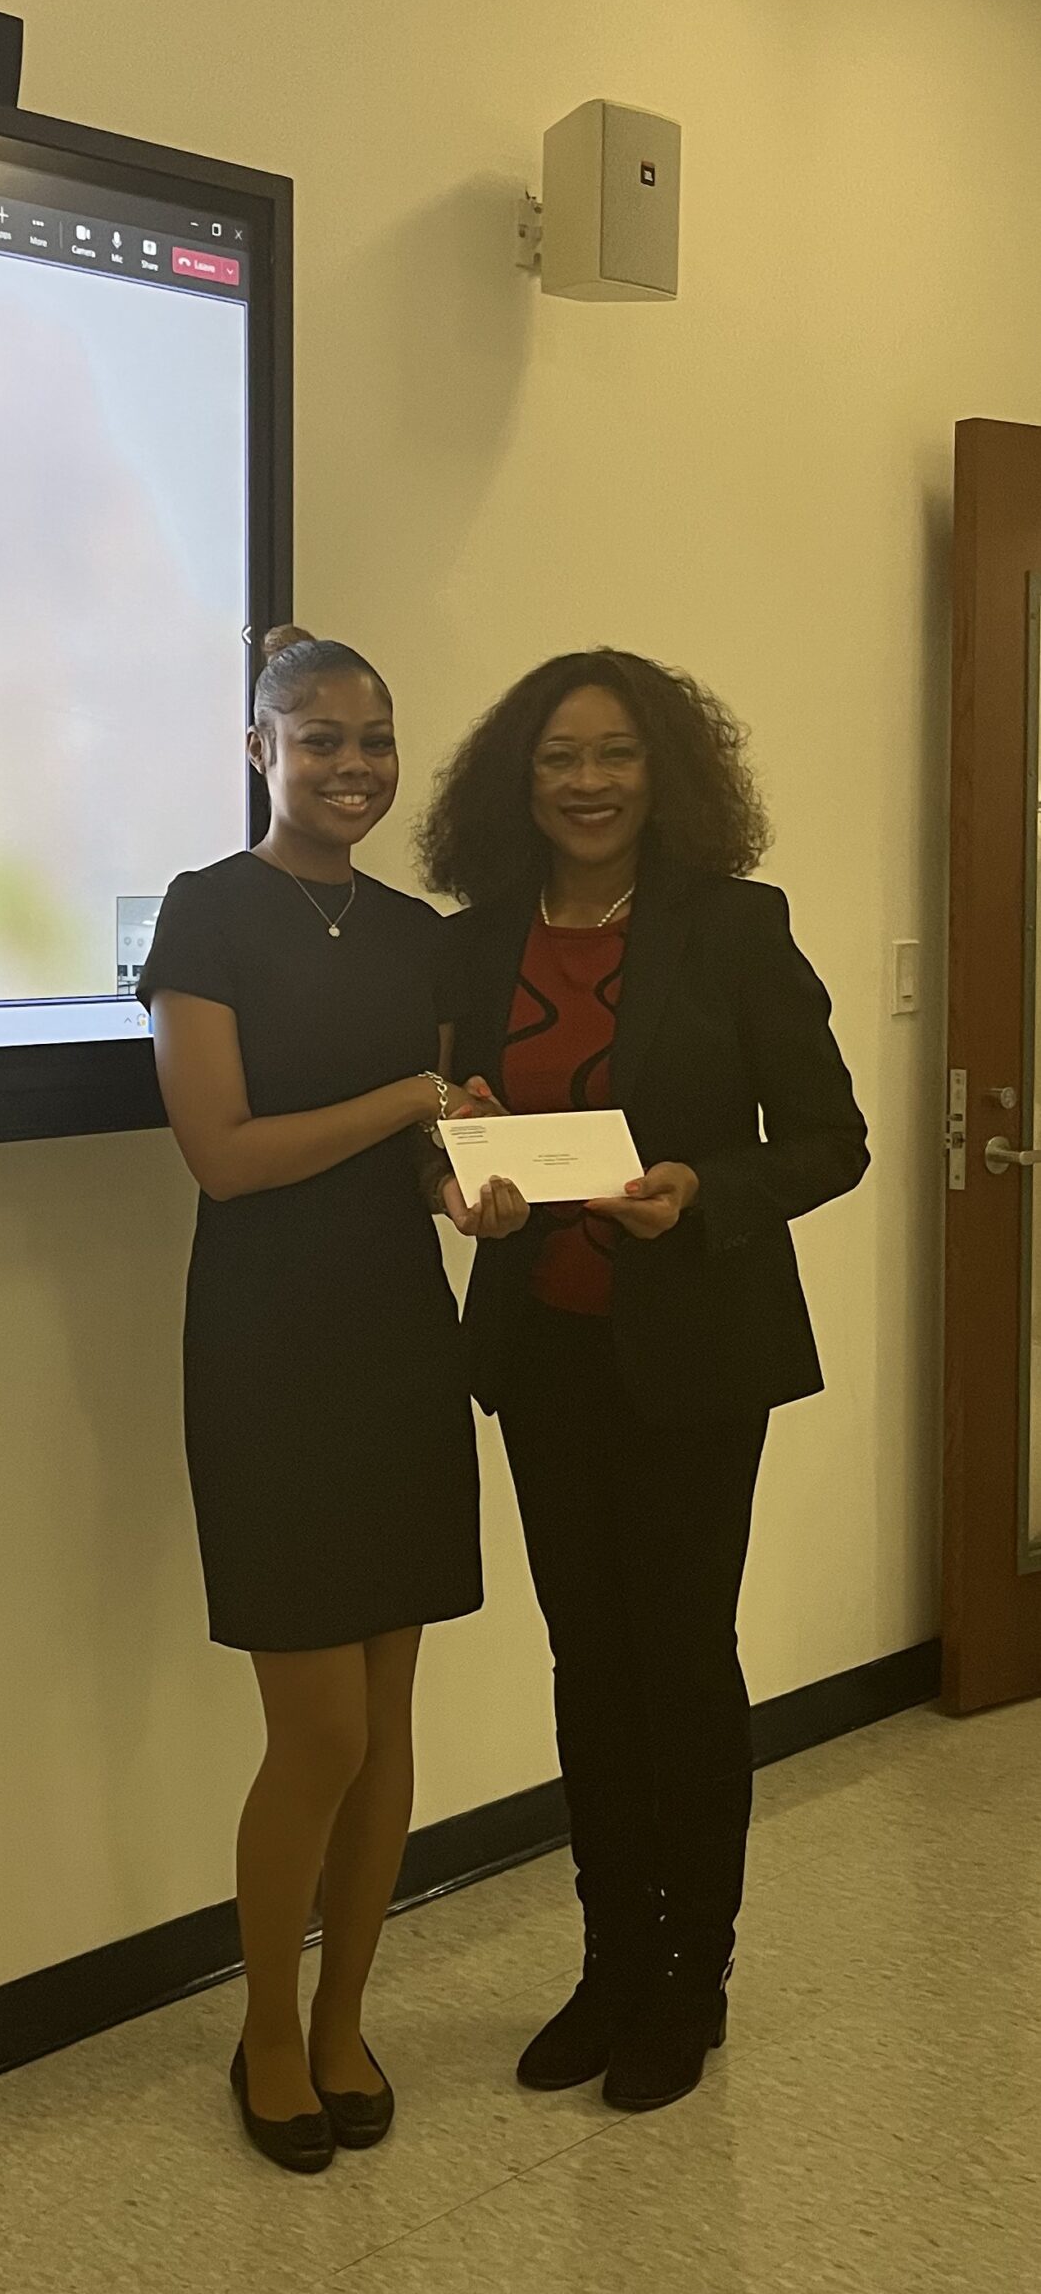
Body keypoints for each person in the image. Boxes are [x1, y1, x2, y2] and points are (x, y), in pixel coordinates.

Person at [420, 649, 868, 2115]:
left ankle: (691, 1975)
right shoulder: (473, 944)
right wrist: (458, 1176)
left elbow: (831, 1139)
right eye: (560, 756)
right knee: (587, 1660)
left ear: (663, 771)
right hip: (542, 1346)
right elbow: (446, 1126)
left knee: (679, 1658)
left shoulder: (734, 927)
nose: (589, 781)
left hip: (695, 1355)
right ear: (519, 780)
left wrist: (705, 1189)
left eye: (616, 753)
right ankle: (610, 1961)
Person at [139, 625, 525, 2175]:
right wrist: (410, 1103)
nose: (352, 766)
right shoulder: (206, 912)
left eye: (374, 740)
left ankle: (347, 2017)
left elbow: (427, 1162)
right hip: (265, 1349)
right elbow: (224, 1156)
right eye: (319, 739)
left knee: (386, 1725)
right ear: (260, 751)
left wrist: (469, 1185)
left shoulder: (419, 934)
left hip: (398, 1339)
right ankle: (265, 2029)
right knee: (319, 1734)